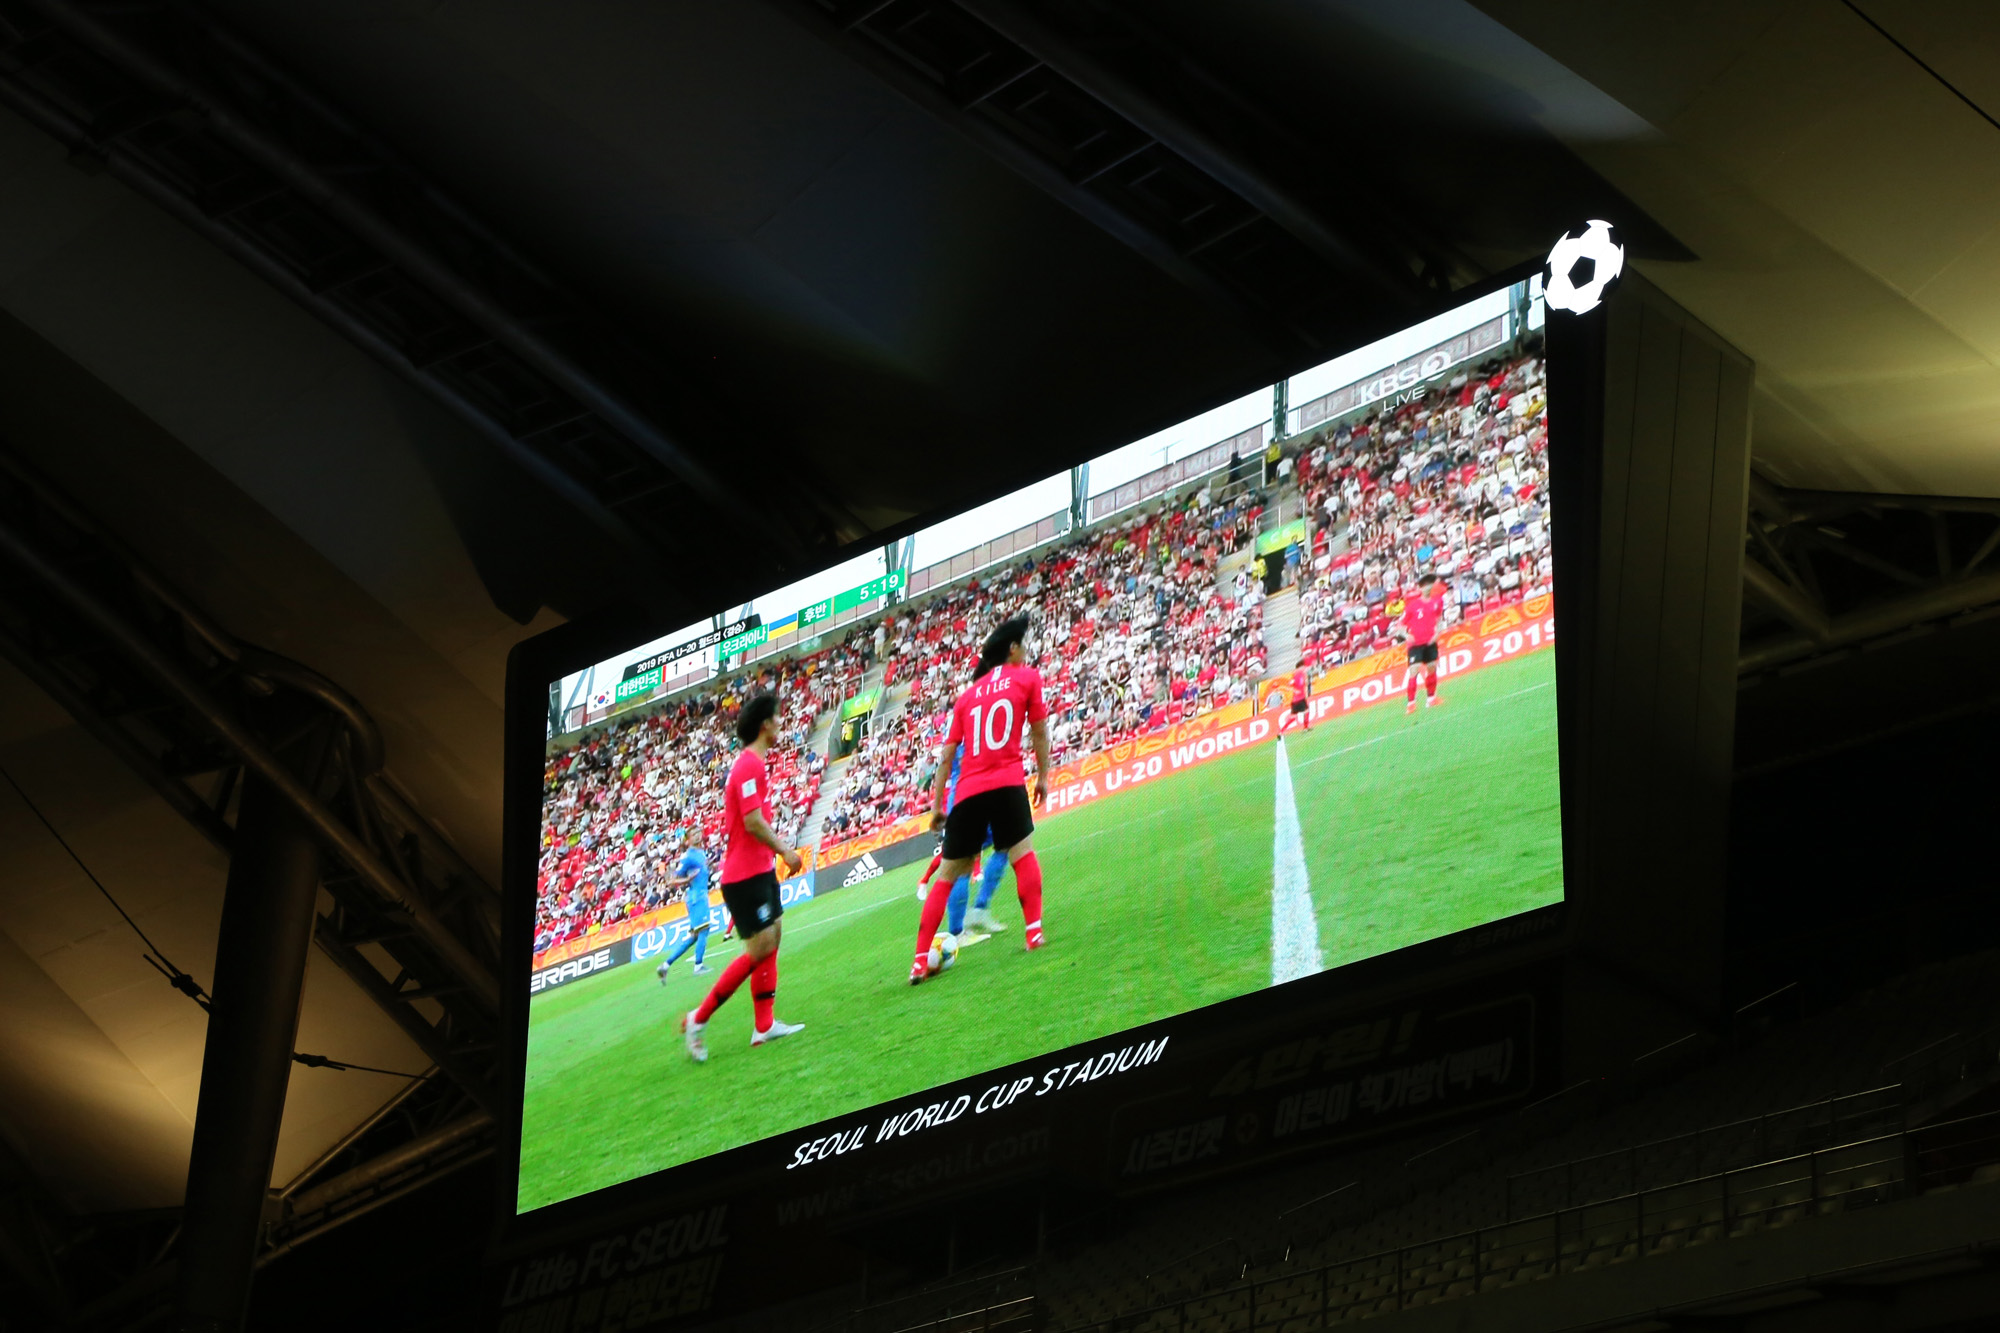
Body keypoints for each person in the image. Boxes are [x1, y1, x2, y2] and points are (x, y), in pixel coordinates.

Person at [910, 616, 1051, 983]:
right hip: (1007, 781)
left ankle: (918, 960)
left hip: (969, 791)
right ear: (1012, 649)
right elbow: (1039, 732)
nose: (1027, 651)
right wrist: (1044, 777)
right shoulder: (1027, 678)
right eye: (1024, 645)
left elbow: (946, 755)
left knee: (947, 874)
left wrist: (938, 805)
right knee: (1021, 852)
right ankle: (1033, 932)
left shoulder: (967, 696)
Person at [680, 693, 806, 1061]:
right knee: (759, 949)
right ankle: (697, 1020)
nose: (782, 724)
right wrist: (785, 849)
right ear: (765, 724)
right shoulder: (748, 766)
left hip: (759, 870)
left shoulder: (754, 765)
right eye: (778, 718)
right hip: (744, 876)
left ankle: (764, 1027)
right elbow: (752, 821)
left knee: (773, 938)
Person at [655, 838, 715, 980]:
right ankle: (698, 966)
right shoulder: (687, 857)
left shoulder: (701, 854)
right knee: (704, 931)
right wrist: (688, 880)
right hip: (696, 898)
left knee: (694, 936)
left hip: (700, 896)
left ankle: (665, 965)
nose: (698, 836)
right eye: (694, 834)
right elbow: (672, 880)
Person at [1401, 573, 1447, 714]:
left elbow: (1439, 619)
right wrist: (1406, 635)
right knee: (1414, 671)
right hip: (1415, 644)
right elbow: (1401, 625)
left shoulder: (1437, 602)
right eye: (1425, 585)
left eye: (1430, 584)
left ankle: (1431, 699)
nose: (1428, 587)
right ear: (1421, 588)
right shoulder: (1413, 606)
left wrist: (1437, 634)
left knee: (1432, 668)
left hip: (1430, 641)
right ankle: (1411, 703)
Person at [1289, 660, 1312, 733]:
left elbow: (1302, 683)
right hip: (1297, 699)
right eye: (1303, 667)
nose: (1304, 668)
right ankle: (1281, 731)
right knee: (1293, 718)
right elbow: (1290, 684)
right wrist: (1294, 690)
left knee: (1307, 711)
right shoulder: (1295, 674)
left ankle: (1306, 727)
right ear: (1300, 667)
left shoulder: (1302, 674)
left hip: (1302, 698)